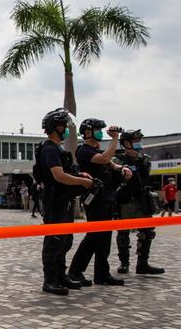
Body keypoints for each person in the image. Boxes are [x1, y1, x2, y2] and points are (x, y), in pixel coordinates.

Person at [68, 118, 132, 287]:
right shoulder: (84, 150)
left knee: (104, 237)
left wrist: (123, 168)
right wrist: (115, 139)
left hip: (108, 196)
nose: (100, 132)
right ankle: (75, 271)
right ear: (87, 132)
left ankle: (102, 274)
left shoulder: (96, 149)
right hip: (96, 198)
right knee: (93, 236)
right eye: (96, 129)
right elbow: (104, 159)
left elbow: (111, 164)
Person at [36, 108, 93, 295]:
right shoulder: (49, 149)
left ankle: (60, 276)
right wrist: (82, 181)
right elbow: (59, 176)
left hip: (64, 201)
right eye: (63, 126)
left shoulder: (57, 149)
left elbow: (66, 171)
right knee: (55, 241)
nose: (66, 129)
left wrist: (80, 174)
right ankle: (50, 280)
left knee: (65, 241)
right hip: (55, 202)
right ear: (55, 127)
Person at [114, 130, 165, 275]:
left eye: (138, 141)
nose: (138, 144)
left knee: (147, 232)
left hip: (142, 201)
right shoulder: (118, 160)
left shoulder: (144, 159)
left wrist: (139, 159)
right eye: (134, 141)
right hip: (125, 202)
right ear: (125, 143)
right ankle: (124, 263)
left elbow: (146, 173)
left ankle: (143, 264)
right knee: (123, 233)